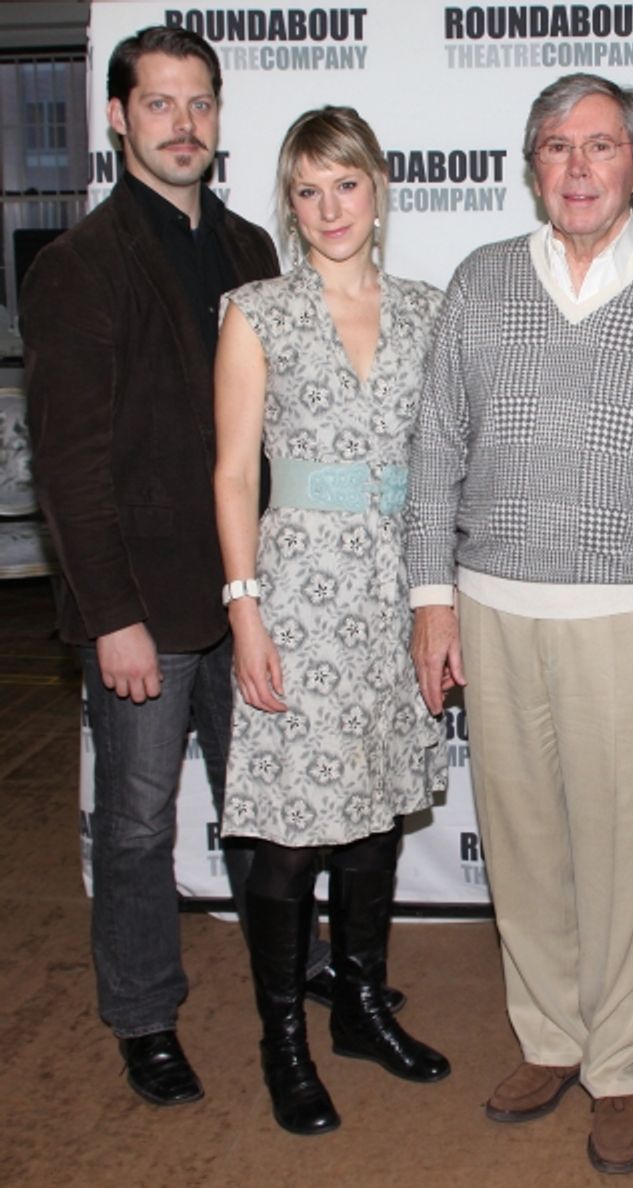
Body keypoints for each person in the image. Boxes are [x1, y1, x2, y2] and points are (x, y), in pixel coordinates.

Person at [407, 73, 633, 1175]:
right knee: (522, 842)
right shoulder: (480, 281)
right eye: (557, 146)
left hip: (631, 615)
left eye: (601, 145)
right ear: (533, 166)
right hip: (492, 606)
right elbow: (436, 449)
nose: (578, 166)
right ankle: (549, 1038)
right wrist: (430, 600)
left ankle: (615, 1065)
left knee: (625, 854)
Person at [21, 24, 299, 1108]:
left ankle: (286, 978)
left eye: (199, 104)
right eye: (159, 104)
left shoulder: (253, 250)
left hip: (250, 595)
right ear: (117, 117)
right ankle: (143, 1015)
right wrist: (112, 616)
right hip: (144, 603)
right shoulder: (77, 267)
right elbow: (70, 465)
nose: (182, 125)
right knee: (138, 828)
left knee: (265, 810)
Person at [212, 106, 450, 1137]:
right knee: (288, 834)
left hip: (396, 590)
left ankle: (359, 1007)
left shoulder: (430, 311)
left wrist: (439, 602)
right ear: (289, 204)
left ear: (378, 188)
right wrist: (245, 610)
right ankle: (284, 1039)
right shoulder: (256, 312)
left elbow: (443, 470)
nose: (329, 207)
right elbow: (232, 475)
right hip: (299, 590)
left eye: (345, 184)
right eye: (307, 191)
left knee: (376, 813)